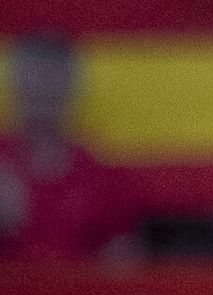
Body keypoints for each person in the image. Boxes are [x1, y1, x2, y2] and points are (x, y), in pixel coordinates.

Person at [0, 31, 126, 262]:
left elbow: (124, 271)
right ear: (16, 91)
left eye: (51, 98)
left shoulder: (98, 178)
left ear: (73, 94)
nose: (41, 110)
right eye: (33, 97)